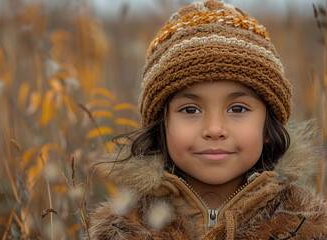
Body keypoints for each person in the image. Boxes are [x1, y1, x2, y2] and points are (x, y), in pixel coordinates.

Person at [86, 0, 327, 239]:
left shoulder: (305, 223)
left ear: (268, 126)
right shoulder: (124, 228)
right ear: (161, 125)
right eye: (190, 110)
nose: (214, 129)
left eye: (238, 109)